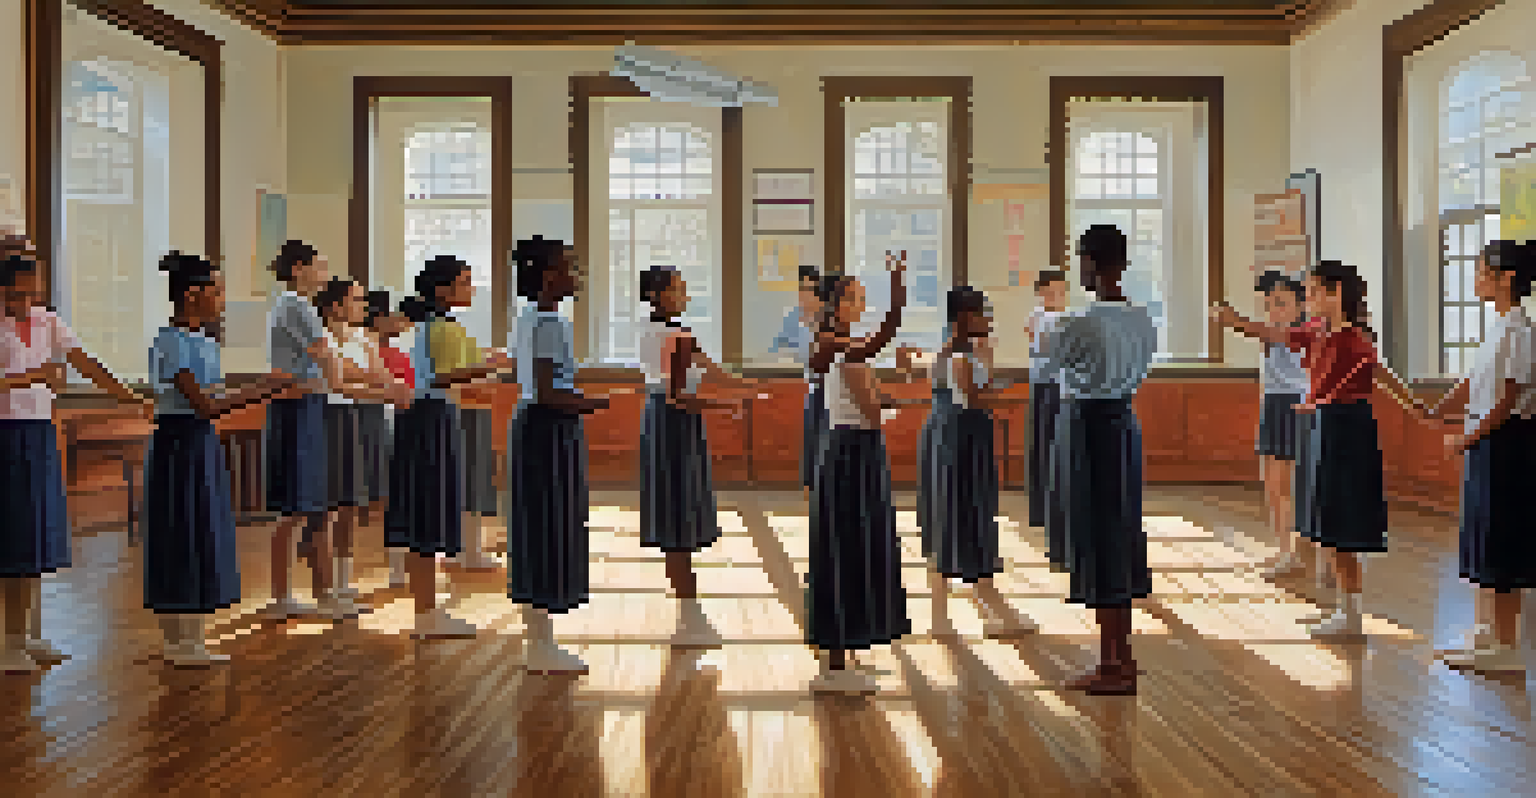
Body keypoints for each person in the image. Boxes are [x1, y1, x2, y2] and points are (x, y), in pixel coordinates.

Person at [1212, 260, 1422, 641]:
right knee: (1328, 519)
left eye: (1312, 292)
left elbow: (1379, 375)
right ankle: (1345, 610)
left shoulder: (1354, 340)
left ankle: (1351, 613)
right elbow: (1274, 334)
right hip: (1327, 426)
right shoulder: (1317, 331)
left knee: (1342, 524)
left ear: (1335, 293)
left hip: (1348, 431)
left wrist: (1414, 405)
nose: (1306, 299)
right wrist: (1236, 323)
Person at [144, 252, 297, 667]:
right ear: (193, 295)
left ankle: (191, 637)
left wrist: (264, 384)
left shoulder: (204, 343)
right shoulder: (170, 341)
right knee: (181, 534)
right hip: (180, 444)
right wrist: (268, 387)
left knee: (199, 531)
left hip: (200, 445)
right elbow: (204, 405)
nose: (222, 300)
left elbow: (218, 393)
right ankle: (178, 640)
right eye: (217, 290)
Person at [0, 252, 148, 674]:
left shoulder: (47, 321)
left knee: (37, 536)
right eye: (16, 295)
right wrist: (33, 377)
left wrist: (126, 395)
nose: (25, 303)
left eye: (33, 294)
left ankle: (28, 634)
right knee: (14, 537)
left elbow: (83, 362)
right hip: (7, 435)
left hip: (40, 432)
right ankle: (9, 643)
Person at [1039, 225, 1157, 696]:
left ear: (1090, 261)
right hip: (1123, 422)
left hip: (1086, 425)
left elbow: (1049, 368)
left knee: (1097, 535)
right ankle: (1120, 657)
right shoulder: (1144, 320)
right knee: (1121, 531)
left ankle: (1112, 666)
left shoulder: (1078, 322)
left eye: (1081, 259)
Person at [1424, 240, 1536, 673]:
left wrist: (1463, 439)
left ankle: (1507, 648)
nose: (1474, 279)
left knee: (1502, 544)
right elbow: (1475, 381)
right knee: (1483, 539)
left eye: (1480, 271)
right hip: (1488, 444)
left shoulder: (1521, 331)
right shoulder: (1499, 327)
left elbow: (1505, 404)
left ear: (1506, 277)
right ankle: (1489, 634)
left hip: (1506, 447)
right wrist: (1439, 409)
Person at [388, 256, 512, 639]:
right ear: (442, 290)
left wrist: (485, 364)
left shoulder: (439, 326)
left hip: (433, 417)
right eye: (464, 282)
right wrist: (494, 367)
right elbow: (443, 376)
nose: (471, 289)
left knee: (430, 513)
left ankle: (429, 610)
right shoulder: (437, 327)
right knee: (426, 514)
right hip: (429, 419)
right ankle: (426, 614)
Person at [806, 255, 911, 694]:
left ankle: (846, 648)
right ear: (834, 304)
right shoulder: (831, 343)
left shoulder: (846, 347)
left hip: (856, 451)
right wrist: (897, 286)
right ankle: (833, 662)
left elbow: (874, 381)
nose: (860, 304)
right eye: (855, 298)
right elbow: (871, 403)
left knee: (855, 545)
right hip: (849, 452)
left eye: (863, 298)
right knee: (843, 547)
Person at [507, 236, 607, 674]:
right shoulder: (548, 321)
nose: (576, 275)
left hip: (537, 426)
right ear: (549, 276)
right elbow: (548, 390)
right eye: (569, 266)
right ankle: (540, 642)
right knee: (547, 524)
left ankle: (540, 636)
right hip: (547, 429)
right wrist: (595, 403)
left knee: (540, 524)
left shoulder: (529, 317)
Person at [637, 265, 749, 649]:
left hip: (662, 420)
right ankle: (689, 616)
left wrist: (750, 390)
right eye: (678, 290)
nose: (685, 296)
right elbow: (679, 396)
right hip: (675, 422)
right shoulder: (677, 337)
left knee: (675, 518)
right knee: (679, 517)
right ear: (657, 295)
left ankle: (689, 613)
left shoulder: (659, 332)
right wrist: (731, 404)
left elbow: (714, 372)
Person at [926, 286, 1035, 640]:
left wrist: (988, 370)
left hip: (953, 434)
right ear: (964, 317)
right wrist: (998, 385)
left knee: (957, 514)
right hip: (961, 437)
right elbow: (973, 397)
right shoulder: (958, 353)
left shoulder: (952, 350)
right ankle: (962, 609)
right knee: (963, 513)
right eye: (982, 313)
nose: (989, 319)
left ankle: (976, 603)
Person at [262, 240, 337, 621]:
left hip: (307, 404)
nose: (324, 269)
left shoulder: (300, 306)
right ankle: (281, 596)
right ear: (297, 269)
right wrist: (341, 380)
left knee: (311, 503)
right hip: (294, 407)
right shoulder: (294, 305)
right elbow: (326, 356)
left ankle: (323, 591)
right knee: (293, 507)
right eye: (317, 263)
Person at [312, 276, 395, 617]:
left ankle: (344, 584)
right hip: (327, 414)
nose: (364, 306)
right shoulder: (321, 337)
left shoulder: (365, 336)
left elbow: (378, 375)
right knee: (328, 504)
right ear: (335, 306)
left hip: (355, 414)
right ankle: (324, 589)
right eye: (357, 301)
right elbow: (341, 377)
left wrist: (355, 375)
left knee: (349, 502)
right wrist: (357, 375)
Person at [1249, 271, 1313, 580]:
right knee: (1271, 484)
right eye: (1270, 304)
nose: (1273, 310)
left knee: (1289, 486)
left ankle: (1299, 554)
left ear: (1300, 306)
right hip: (1272, 404)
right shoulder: (1270, 334)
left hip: (1295, 406)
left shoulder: (1304, 333)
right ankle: (1283, 549)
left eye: (1280, 303)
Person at [768, 265, 825, 496]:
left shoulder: (828, 317)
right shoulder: (793, 315)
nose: (806, 294)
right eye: (802, 288)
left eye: (811, 288)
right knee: (811, 438)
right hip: (810, 384)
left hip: (829, 385)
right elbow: (778, 346)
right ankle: (811, 489)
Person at [1026, 270, 1069, 568]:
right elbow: (1045, 348)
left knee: (1053, 446)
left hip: (1058, 386)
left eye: (1061, 290)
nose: (1056, 296)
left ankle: (1051, 506)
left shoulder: (1062, 318)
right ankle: (1041, 507)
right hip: (1044, 385)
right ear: (1040, 292)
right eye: (1050, 291)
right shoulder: (1040, 316)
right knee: (1043, 445)